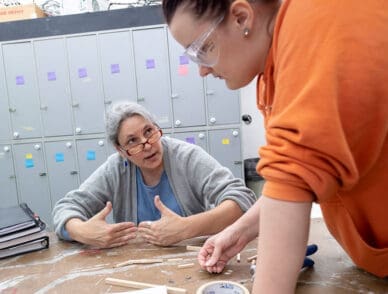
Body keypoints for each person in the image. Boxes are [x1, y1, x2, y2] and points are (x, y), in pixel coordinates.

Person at [162, 0, 388, 292]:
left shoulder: (323, 17)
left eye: (202, 50)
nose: (202, 71)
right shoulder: (274, 65)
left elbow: (292, 180)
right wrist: (239, 231)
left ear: (242, 17)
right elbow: (298, 172)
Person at [52, 101, 256, 249]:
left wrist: (186, 228)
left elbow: (241, 198)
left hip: (191, 257)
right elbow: (66, 208)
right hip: (135, 265)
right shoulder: (116, 168)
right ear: (120, 150)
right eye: (132, 141)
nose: (147, 144)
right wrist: (83, 232)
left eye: (148, 131)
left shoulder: (186, 157)